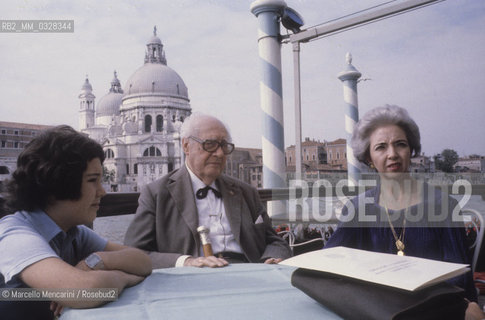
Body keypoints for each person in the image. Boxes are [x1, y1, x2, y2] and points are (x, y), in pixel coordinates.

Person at [324, 105, 479, 316]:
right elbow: (329, 261)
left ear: (411, 150)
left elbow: (458, 276)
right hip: (374, 312)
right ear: (369, 158)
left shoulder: (444, 205)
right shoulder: (357, 208)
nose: (393, 154)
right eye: (381, 147)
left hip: (433, 310)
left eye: (401, 144)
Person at [0, 126, 152, 320]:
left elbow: (143, 262)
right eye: (92, 180)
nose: (102, 191)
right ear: (57, 183)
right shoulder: (14, 236)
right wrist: (125, 277)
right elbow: (83, 291)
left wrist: (99, 260)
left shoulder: (73, 232)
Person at [124, 113, 292, 268]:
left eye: (224, 146)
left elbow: (275, 242)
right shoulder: (157, 194)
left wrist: (270, 260)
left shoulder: (246, 192)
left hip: (251, 274)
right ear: (186, 146)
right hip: (190, 282)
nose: (219, 154)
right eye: (210, 145)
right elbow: (133, 253)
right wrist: (187, 262)